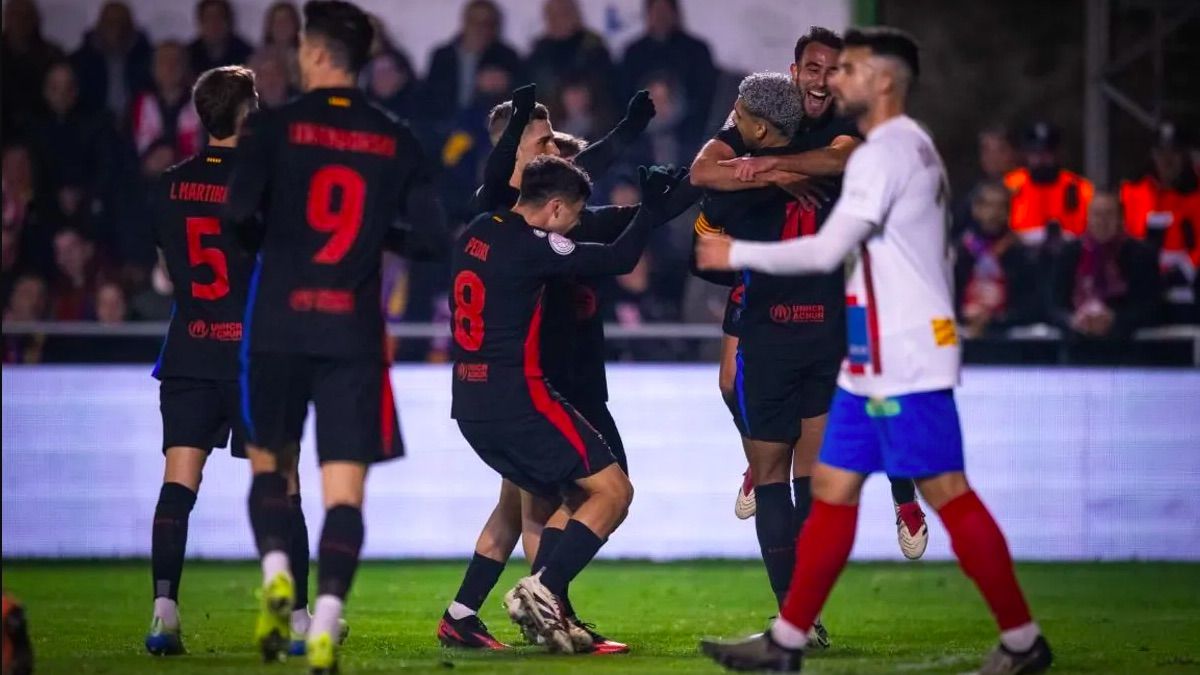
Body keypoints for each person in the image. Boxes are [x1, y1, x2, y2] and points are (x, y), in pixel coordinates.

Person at [696, 28, 1053, 674]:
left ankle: (1023, 639)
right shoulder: (898, 149)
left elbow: (829, 249)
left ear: (883, 82)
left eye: (851, 70)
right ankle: (788, 639)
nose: (836, 81)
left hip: (907, 353)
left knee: (948, 490)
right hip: (869, 355)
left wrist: (735, 252)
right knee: (829, 487)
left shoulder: (885, 154)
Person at [224, 2, 447, 671]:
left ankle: (274, 575)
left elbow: (235, 215)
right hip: (352, 332)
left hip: (279, 325)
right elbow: (434, 239)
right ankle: (324, 618)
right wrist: (381, 235)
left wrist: (280, 238)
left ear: (316, 55)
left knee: (272, 464)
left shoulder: (272, 126)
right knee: (345, 491)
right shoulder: (397, 137)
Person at [438, 84, 660, 653]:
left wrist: (627, 134)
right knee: (586, 495)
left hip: (499, 391)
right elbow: (615, 252)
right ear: (513, 156)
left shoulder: (490, 221)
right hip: (537, 387)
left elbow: (581, 172)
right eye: (542, 142)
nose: (557, 150)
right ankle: (549, 608)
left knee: (517, 506)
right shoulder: (527, 228)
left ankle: (463, 612)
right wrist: (662, 200)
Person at [689, 26, 926, 561]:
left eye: (832, 71)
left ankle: (903, 494)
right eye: (811, 69)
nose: (821, 81)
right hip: (767, 283)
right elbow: (703, 171)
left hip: (841, 282)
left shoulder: (852, 122)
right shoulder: (765, 113)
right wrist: (770, 178)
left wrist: (768, 167)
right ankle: (760, 460)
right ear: (794, 73)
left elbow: (839, 161)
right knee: (730, 384)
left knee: (878, 393)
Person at [140, 65, 308, 657]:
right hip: (253, 355)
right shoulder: (265, 183)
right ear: (245, 113)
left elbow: (167, 269)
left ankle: (164, 611)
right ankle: (299, 620)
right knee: (281, 487)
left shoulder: (166, 184)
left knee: (178, 485)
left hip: (187, 350)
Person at [1048, 191, 1161, 340]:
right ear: (1087, 218)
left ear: (1120, 219)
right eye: (1096, 214)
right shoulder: (1069, 253)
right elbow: (1053, 305)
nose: (1102, 221)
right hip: (1077, 343)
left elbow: (1152, 307)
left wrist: (1114, 319)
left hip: (1125, 345)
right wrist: (1072, 320)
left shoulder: (1141, 255)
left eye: (1108, 214)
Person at [1119, 122, 1200, 322]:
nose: (1167, 159)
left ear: (1185, 156)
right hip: (1140, 288)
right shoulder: (1131, 192)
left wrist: (1185, 270)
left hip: (1189, 289)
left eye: (1174, 152)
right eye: (1161, 152)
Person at [619, 0, 716, 156]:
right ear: (647, 14)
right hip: (642, 137)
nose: (660, 16)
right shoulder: (633, 53)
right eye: (656, 11)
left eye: (665, 11)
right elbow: (623, 97)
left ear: (675, 13)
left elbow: (706, 97)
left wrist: (675, 108)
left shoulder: (696, 51)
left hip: (690, 133)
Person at [955, 181, 1042, 338]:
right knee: (936, 334)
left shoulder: (1021, 254)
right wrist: (964, 315)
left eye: (1001, 207)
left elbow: (1033, 307)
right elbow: (940, 301)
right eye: (988, 206)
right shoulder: (957, 252)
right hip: (961, 329)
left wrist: (996, 319)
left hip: (1006, 333)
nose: (994, 213)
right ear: (976, 209)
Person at [423, 0, 523, 125]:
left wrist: (505, 85)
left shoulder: (506, 57)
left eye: (486, 23)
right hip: (444, 127)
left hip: (486, 129)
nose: (479, 28)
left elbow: (521, 98)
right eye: (474, 21)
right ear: (464, 22)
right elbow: (427, 97)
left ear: (494, 27)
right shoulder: (442, 56)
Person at [1004, 121, 1094, 244]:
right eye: (1035, 154)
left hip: (1070, 255)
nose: (1041, 159)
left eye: (1047, 154)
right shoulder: (1010, 185)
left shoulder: (1081, 188)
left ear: (1058, 154)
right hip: (1020, 256)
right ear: (1026, 155)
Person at [70, 1, 153, 122]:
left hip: (139, 124)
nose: (116, 27)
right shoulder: (80, 60)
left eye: (121, 22)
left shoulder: (147, 58)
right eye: (109, 22)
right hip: (92, 125)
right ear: (99, 24)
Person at [526, 0, 616, 109]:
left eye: (564, 14)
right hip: (549, 116)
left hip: (592, 116)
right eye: (553, 15)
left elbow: (607, 88)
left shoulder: (593, 46)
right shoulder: (539, 51)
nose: (559, 20)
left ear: (576, 15)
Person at [1, 0, 65, 139]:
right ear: (6, 18)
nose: (20, 21)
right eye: (15, 15)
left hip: (42, 131)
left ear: (36, 20)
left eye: (26, 16)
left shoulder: (52, 55)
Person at [131, 41, 202, 158]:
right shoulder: (140, 104)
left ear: (186, 67)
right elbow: (129, 152)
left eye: (176, 61)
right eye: (163, 61)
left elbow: (213, 156)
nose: (170, 67)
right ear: (153, 68)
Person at [188, 0, 253, 74]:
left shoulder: (246, 53)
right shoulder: (189, 55)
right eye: (208, 18)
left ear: (229, 21)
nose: (214, 23)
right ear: (200, 22)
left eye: (219, 17)